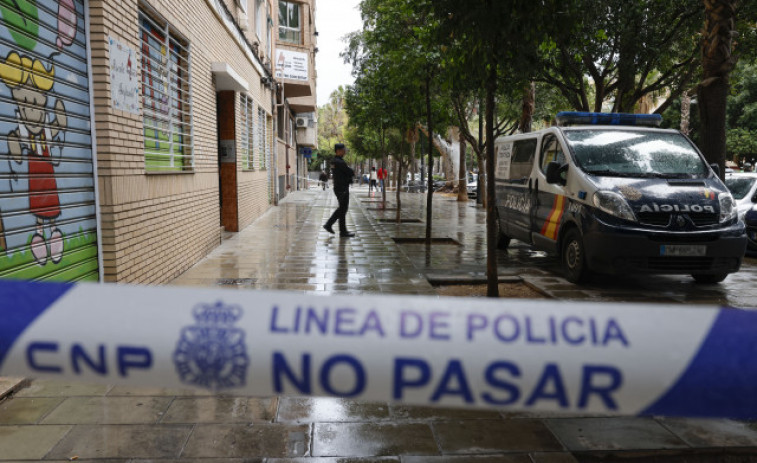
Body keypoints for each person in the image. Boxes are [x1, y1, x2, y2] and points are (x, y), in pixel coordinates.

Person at [323, 143, 355, 237]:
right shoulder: (339, 162)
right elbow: (350, 172)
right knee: (342, 209)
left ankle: (340, 229)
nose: (345, 151)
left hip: (339, 187)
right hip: (342, 188)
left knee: (342, 209)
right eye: (343, 150)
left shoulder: (335, 161)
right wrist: (350, 172)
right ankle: (331, 226)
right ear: (338, 151)